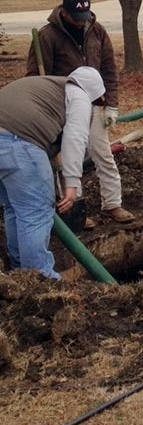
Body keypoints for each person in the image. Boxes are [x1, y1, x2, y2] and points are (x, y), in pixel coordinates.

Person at [26, 0, 134, 225]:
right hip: (62, 106)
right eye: (77, 17)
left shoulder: (97, 31)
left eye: (85, 15)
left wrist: (111, 104)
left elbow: (109, 70)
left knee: (103, 154)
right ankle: (75, 212)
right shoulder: (47, 36)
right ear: (64, 13)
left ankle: (112, 204)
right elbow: (34, 76)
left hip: (95, 102)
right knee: (65, 158)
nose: (82, 21)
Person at [0, 67, 105, 279]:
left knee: (15, 208)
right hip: (18, 143)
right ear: (94, 93)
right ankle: (40, 278)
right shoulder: (80, 96)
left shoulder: (46, 86)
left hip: (8, 141)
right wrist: (72, 184)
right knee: (34, 211)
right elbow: (75, 138)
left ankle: (19, 272)